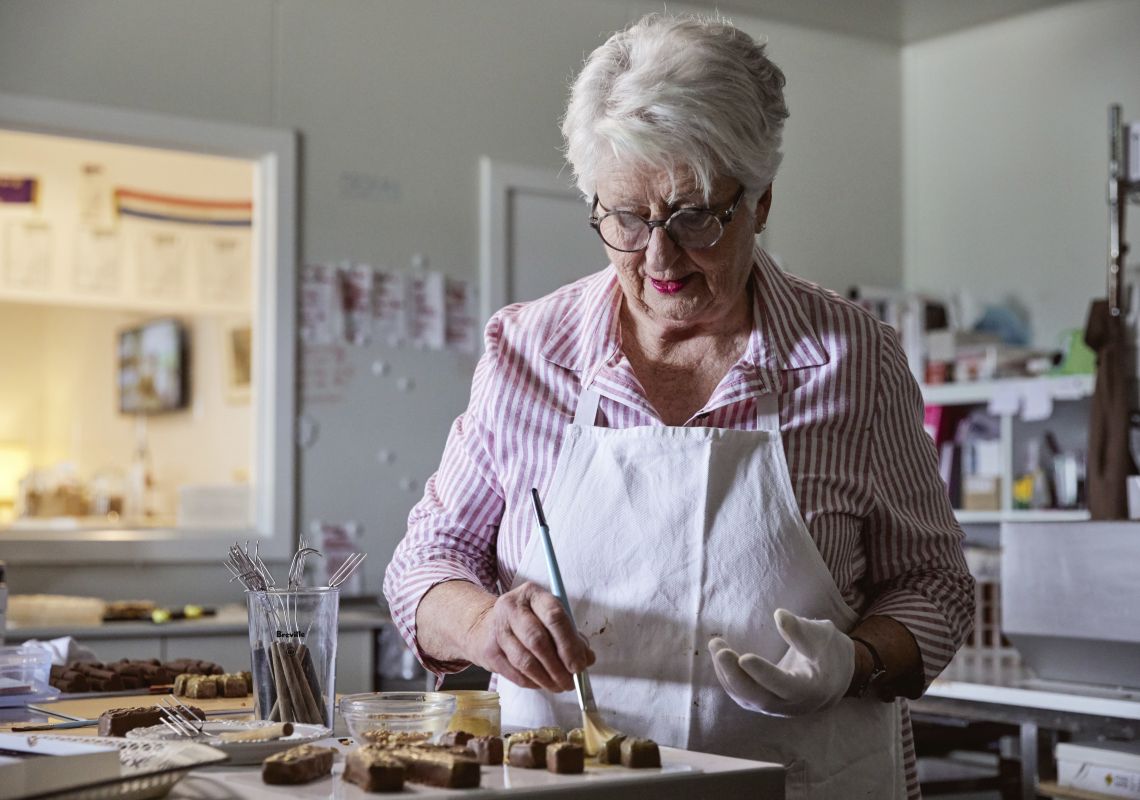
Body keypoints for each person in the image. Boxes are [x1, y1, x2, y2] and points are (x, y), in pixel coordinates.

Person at [385, 13, 974, 799]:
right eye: (626, 217)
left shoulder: (850, 358)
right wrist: (484, 625)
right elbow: (423, 567)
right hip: (564, 780)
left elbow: (935, 585)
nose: (658, 258)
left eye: (694, 215)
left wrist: (857, 661)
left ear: (759, 202)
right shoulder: (527, 349)